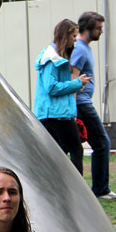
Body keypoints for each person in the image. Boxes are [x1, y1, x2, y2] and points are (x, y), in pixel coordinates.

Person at [71, 12, 116, 200]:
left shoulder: (84, 48)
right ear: (87, 29)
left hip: (82, 102)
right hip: (81, 103)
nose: (101, 31)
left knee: (81, 145)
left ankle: (98, 188)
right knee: (102, 143)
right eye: (98, 28)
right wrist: (72, 108)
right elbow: (73, 76)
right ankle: (101, 190)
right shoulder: (79, 48)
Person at [34, 19, 90, 174]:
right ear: (66, 36)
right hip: (56, 114)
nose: (76, 40)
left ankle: (55, 187)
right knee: (76, 150)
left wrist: (77, 83)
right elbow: (51, 87)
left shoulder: (54, 57)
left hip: (52, 113)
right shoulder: (52, 59)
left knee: (57, 153)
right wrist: (77, 83)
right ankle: (77, 191)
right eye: (73, 36)